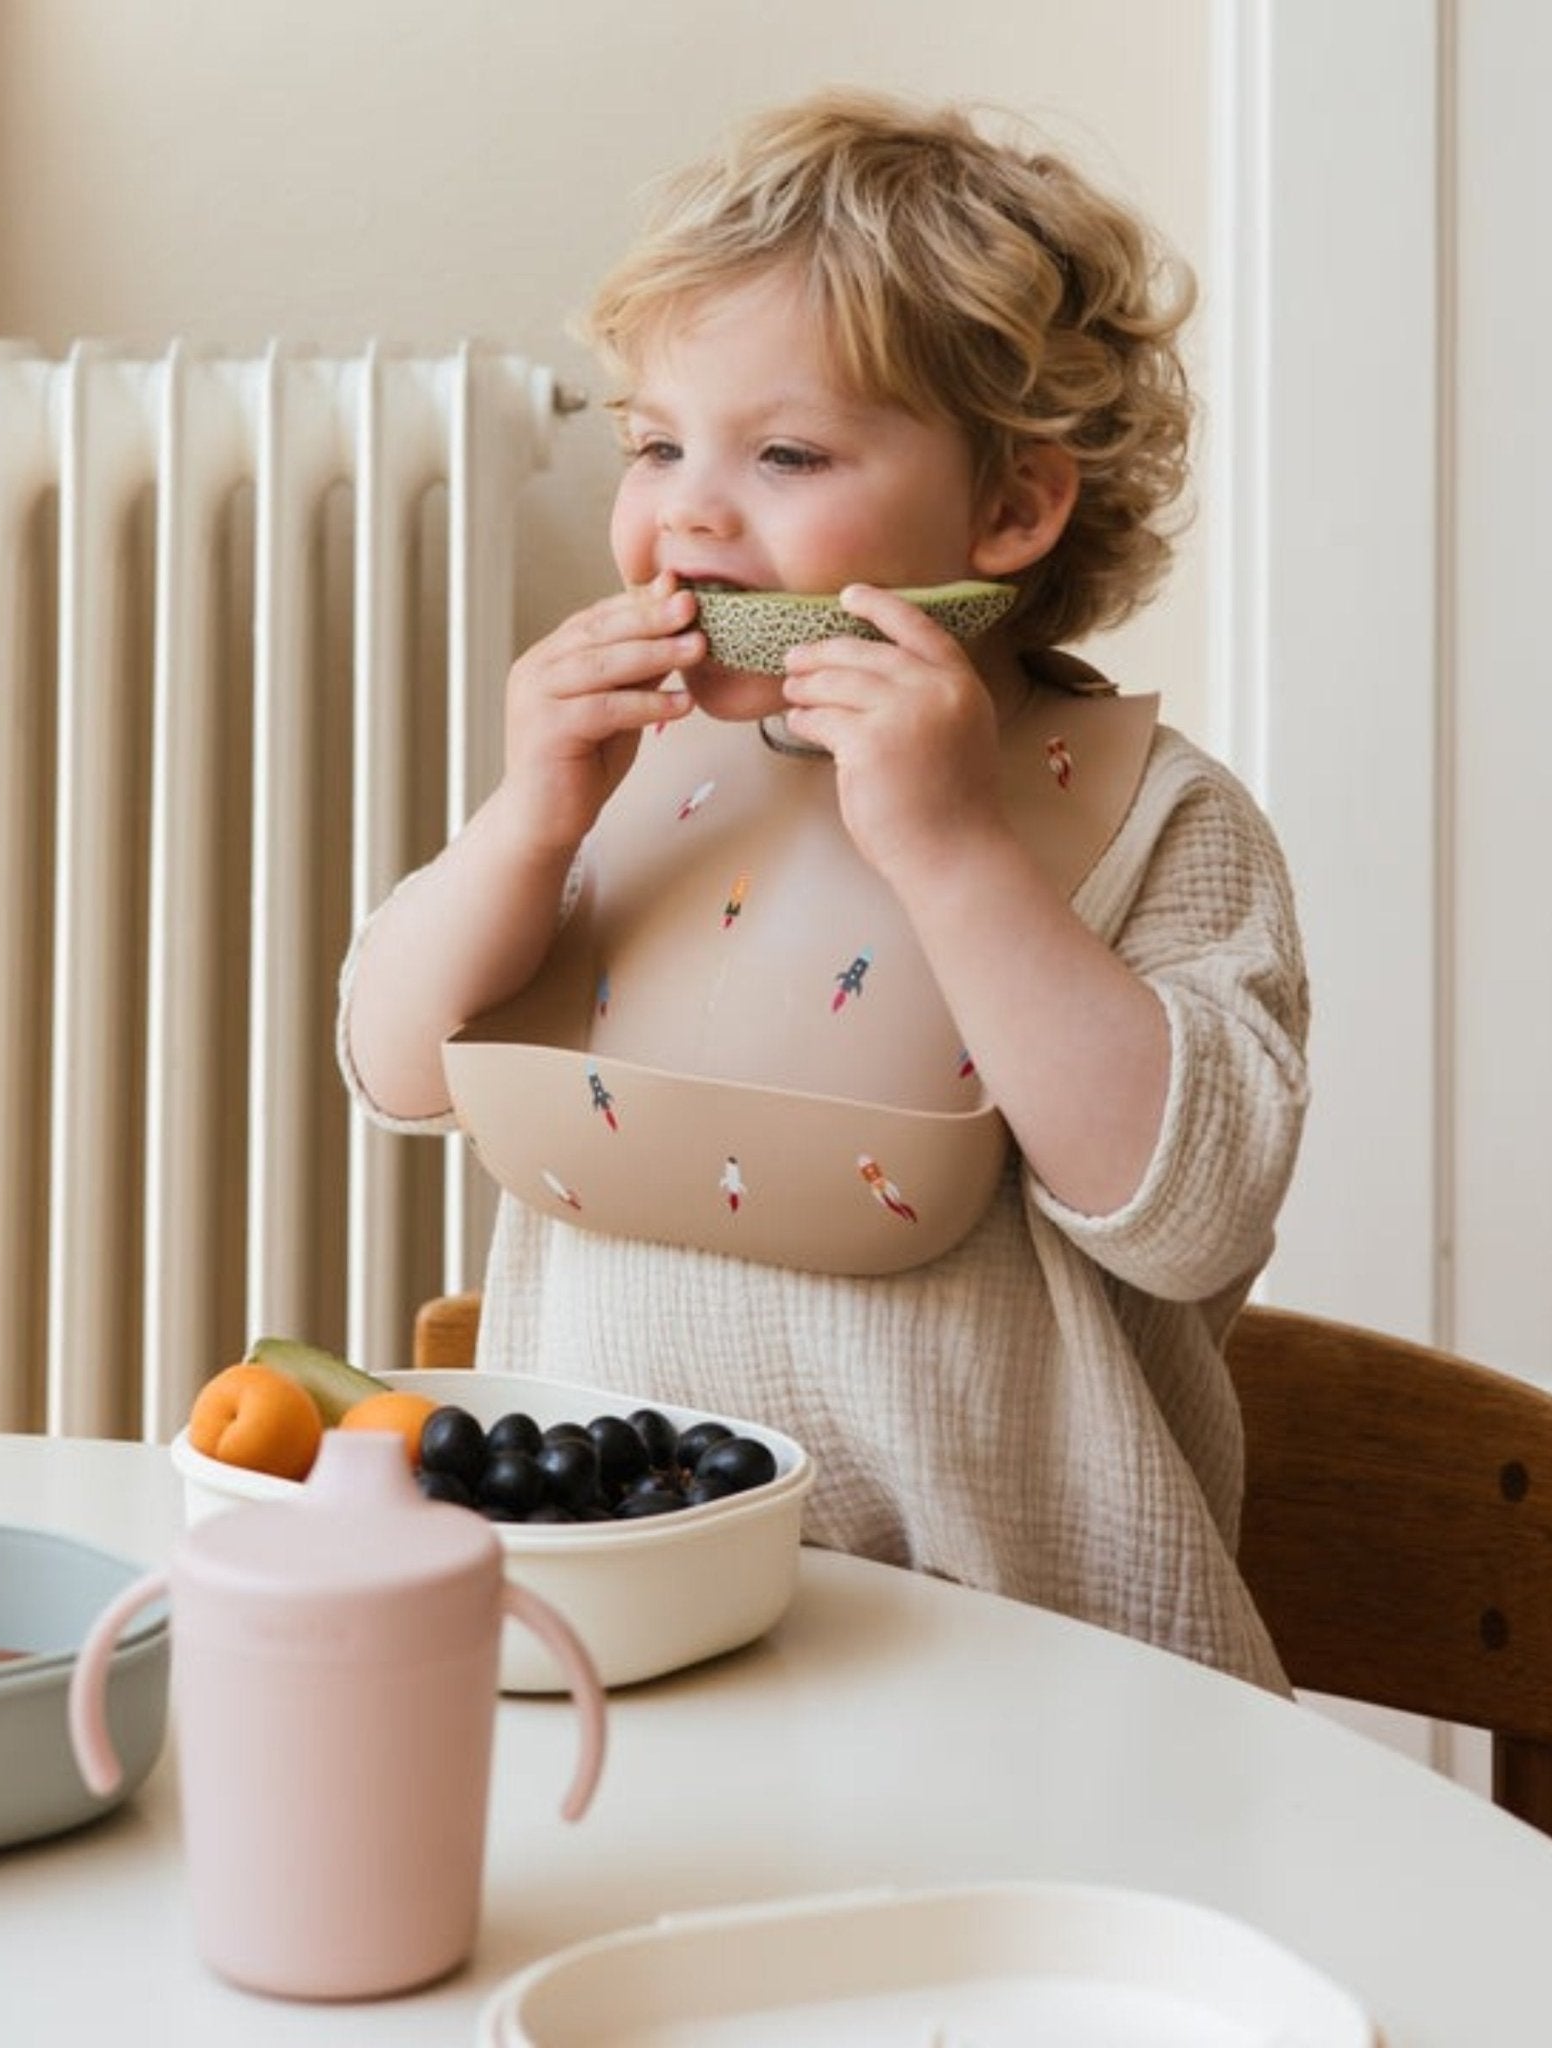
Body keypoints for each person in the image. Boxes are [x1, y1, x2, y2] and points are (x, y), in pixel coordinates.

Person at [338, 90, 1308, 1690]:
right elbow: (393, 1063)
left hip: (1033, 1677)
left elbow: (1195, 1214)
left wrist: (952, 849)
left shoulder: (1167, 820)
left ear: (1012, 509)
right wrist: (525, 820)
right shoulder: (618, 778)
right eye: (655, 444)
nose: (689, 512)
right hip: (630, 1633)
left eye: (784, 453)